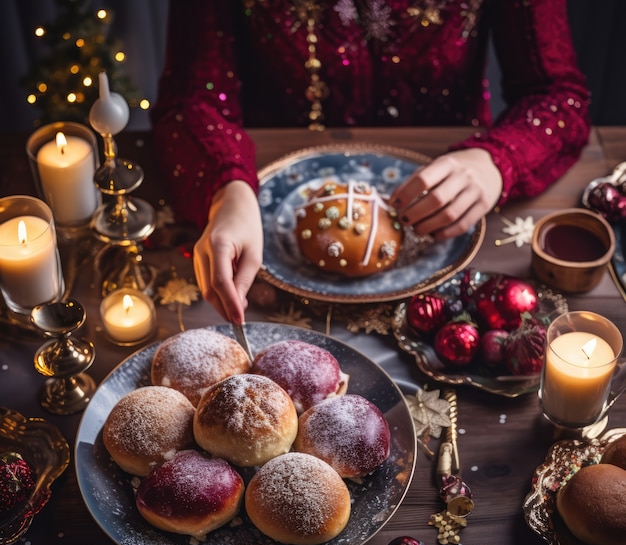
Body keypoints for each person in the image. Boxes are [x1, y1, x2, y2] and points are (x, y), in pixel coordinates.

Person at [151, 1, 591, 324]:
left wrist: (497, 160)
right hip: (266, 205)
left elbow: (558, 95)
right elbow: (190, 101)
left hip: (452, 205)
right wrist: (226, 187)